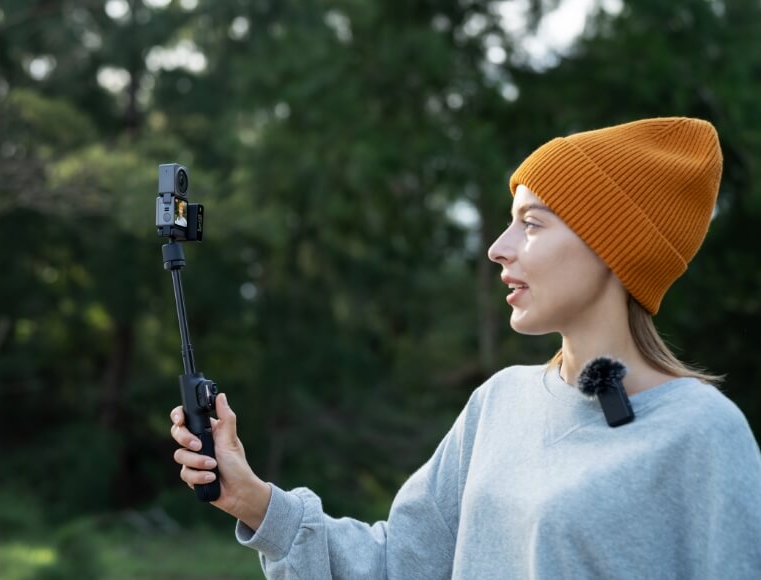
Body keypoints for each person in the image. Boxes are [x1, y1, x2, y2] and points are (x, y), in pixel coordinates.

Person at [170, 117, 761, 579]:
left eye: (531, 222)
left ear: (613, 246)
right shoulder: (499, 404)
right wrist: (254, 501)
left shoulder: (702, 434)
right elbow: (397, 568)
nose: (499, 248)